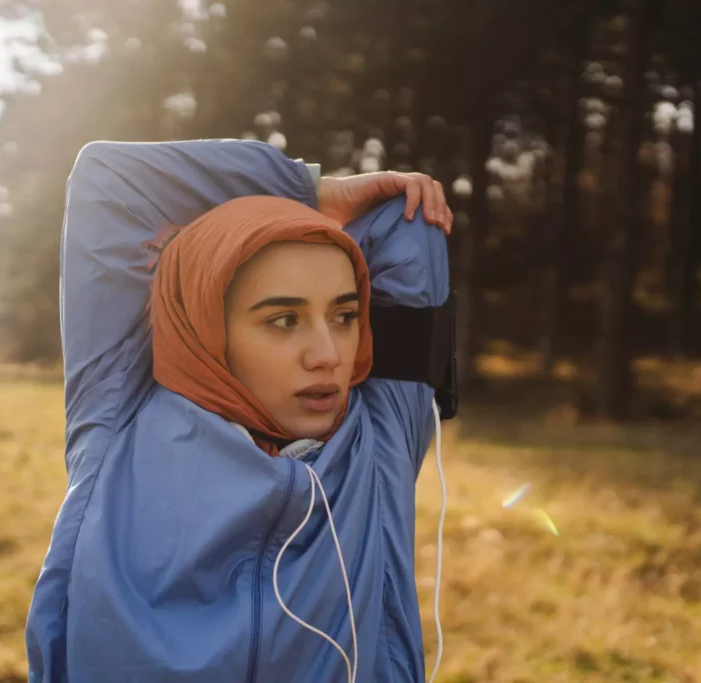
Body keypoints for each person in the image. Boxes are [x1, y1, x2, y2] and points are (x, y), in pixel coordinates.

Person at [24, 138, 455, 682]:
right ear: (208, 329)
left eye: (345, 316)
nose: (328, 356)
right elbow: (111, 177)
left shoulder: (377, 445)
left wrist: (308, 217)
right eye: (283, 320)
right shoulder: (119, 418)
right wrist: (308, 191)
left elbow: (407, 222)